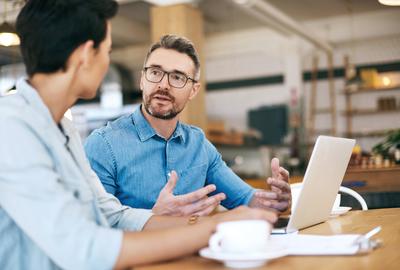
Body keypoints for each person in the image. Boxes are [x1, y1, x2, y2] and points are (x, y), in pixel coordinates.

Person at [0, 1, 278, 269]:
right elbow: (85, 248)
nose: (107, 63)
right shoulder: (10, 127)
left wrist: (208, 223)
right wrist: (215, 228)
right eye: (107, 51)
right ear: (86, 56)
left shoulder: (63, 128)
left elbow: (112, 214)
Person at [84, 34, 292, 217]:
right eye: (155, 72)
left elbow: (247, 200)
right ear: (142, 80)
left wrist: (276, 201)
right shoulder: (103, 144)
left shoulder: (199, 145)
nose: (163, 84)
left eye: (177, 77)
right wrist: (153, 216)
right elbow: (92, 225)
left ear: (193, 90)